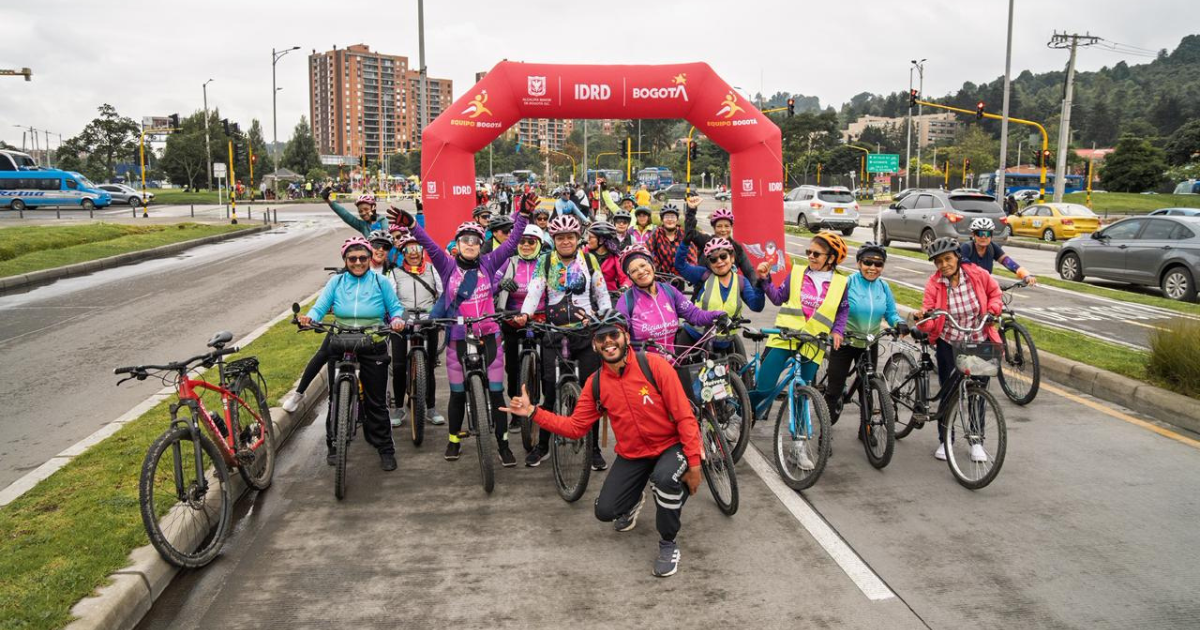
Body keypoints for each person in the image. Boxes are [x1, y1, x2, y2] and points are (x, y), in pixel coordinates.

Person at [499, 310, 702, 578]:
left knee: (664, 482)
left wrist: (695, 463)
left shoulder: (654, 366)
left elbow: (684, 416)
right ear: (594, 344)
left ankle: (668, 543)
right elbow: (574, 428)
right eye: (601, 338)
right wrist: (534, 413)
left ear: (626, 337)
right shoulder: (595, 384)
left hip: (670, 445)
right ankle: (632, 500)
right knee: (605, 511)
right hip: (634, 455)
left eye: (613, 334)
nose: (608, 342)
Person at [401, 207, 529, 466]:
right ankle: (453, 441)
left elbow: (513, 240)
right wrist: (413, 225)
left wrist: (524, 215)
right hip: (457, 340)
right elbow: (428, 244)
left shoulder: (489, 263)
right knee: (457, 394)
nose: (470, 244)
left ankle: (503, 445)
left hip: (490, 336)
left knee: (496, 394)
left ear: (481, 245)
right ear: (457, 245)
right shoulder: (447, 266)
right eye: (464, 240)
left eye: (475, 241)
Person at [297, 237, 406, 471]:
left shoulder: (380, 281)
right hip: (341, 341)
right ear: (345, 260)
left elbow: (395, 308)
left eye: (363, 258)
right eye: (352, 258)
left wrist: (397, 320)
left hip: (373, 342)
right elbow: (320, 307)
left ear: (369, 259)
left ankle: (385, 448)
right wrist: (310, 318)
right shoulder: (336, 282)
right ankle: (334, 444)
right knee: (335, 398)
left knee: (376, 402)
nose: (358, 262)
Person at [513, 215, 613, 470]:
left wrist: (607, 315)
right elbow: (535, 290)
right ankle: (543, 445)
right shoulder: (546, 261)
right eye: (560, 237)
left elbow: (601, 292)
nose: (566, 241)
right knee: (549, 392)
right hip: (554, 333)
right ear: (554, 240)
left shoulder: (589, 260)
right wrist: (525, 314)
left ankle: (593, 449)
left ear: (578, 238)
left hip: (585, 332)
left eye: (570, 237)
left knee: (590, 395)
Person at [748, 232, 850, 469]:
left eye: (817, 254)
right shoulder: (796, 273)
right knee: (764, 387)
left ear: (831, 258)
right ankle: (739, 416)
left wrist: (838, 331)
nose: (811, 256)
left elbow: (842, 310)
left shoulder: (841, 283)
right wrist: (765, 279)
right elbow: (777, 298)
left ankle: (798, 446)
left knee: (803, 393)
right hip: (785, 337)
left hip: (813, 342)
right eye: (809, 252)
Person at [912, 237, 1002, 463]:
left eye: (948, 259)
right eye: (938, 261)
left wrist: (993, 310)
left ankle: (976, 440)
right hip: (948, 342)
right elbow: (930, 314)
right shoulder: (934, 283)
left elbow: (995, 293)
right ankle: (946, 440)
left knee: (978, 394)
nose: (944, 265)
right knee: (949, 392)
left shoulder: (977, 275)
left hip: (979, 339)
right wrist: (924, 318)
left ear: (957, 257)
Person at [822, 242, 905, 428]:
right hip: (844, 342)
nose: (873, 268)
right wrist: (835, 330)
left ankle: (866, 431)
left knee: (866, 388)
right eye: (868, 262)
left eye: (878, 264)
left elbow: (891, 313)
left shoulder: (883, 287)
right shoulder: (848, 283)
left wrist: (899, 323)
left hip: (869, 343)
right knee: (834, 390)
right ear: (859, 263)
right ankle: (825, 432)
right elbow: (833, 308)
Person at [616, 244, 726, 354]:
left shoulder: (669, 291)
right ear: (630, 277)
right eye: (634, 270)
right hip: (642, 366)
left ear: (652, 266)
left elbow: (694, 314)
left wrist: (717, 315)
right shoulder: (626, 301)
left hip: (671, 364)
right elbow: (617, 335)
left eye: (643, 265)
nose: (640, 271)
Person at [388, 231, 446, 428]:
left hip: (428, 318)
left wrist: (438, 315)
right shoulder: (395, 273)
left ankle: (430, 407)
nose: (413, 252)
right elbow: (390, 298)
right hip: (403, 319)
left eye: (417, 248)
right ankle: (398, 408)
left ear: (422, 251)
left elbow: (443, 293)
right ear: (403, 253)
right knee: (398, 366)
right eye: (408, 249)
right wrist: (396, 318)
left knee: (429, 366)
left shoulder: (432, 270)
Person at [495, 224, 547, 429]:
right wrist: (500, 285)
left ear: (539, 244)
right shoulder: (507, 263)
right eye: (522, 241)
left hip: (541, 318)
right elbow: (488, 285)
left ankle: (542, 409)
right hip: (511, 319)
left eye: (531, 242)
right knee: (513, 369)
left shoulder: (546, 263)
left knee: (546, 367)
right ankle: (517, 413)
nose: (525, 245)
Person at [674, 236, 765, 347]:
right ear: (709, 263)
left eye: (723, 256)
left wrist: (760, 285)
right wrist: (685, 242)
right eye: (713, 259)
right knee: (676, 363)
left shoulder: (741, 282)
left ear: (732, 258)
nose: (719, 262)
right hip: (695, 337)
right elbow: (680, 265)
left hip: (725, 343)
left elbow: (756, 306)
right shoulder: (703, 275)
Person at [682, 198, 756, 280]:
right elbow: (690, 233)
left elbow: (749, 272)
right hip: (705, 289)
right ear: (714, 228)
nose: (723, 230)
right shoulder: (705, 241)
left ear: (731, 227)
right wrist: (691, 211)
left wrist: (755, 291)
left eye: (727, 226)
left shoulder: (737, 248)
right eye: (719, 226)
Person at [958, 218, 1037, 285]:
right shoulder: (966, 248)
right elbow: (964, 267)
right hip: (968, 288)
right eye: (980, 233)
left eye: (987, 233)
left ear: (991, 235)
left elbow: (1006, 261)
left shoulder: (992, 247)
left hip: (986, 287)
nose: (984, 237)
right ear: (973, 235)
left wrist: (1025, 274)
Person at [647, 204, 692, 277]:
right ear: (662, 220)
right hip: (661, 277)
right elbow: (645, 250)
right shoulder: (657, 234)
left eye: (673, 217)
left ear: (677, 220)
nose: (670, 220)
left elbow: (692, 257)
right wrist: (652, 265)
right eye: (667, 217)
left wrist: (690, 273)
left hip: (680, 277)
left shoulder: (684, 235)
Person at [323, 190, 388, 237]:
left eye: (366, 209)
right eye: (360, 211)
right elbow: (345, 215)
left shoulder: (382, 220)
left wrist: (373, 220)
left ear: (374, 207)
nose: (363, 213)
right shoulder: (363, 225)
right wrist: (328, 200)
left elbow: (383, 238)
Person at [585, 220, 626, 291]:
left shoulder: (615, 256)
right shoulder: (583, 253)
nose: (587, 240)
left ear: (601, 240)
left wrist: (625, 286)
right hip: (587, 295)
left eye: (590, 237)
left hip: (609, 295)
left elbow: (624, 277)